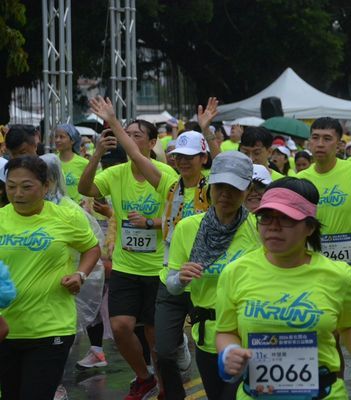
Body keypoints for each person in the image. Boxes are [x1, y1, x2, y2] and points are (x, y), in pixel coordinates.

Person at [88, 96, 219, 399]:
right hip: (171, 275)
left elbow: (225, 162)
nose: (182, 161)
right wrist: (112, 121)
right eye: (178, 156)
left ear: (203, 159)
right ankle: (168, 391)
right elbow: (134, 152)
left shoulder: (213, 187)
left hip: (205, 276)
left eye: (190, 156)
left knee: (209, 345)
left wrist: (207, 131)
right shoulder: (167, 184)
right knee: (161, 346)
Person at [215, 177, 351, 399]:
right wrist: (229, 353)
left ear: (309, 227)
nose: (274, 227)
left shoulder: (338, 275)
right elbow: (226, 331)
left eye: (286, 219)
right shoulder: (235, 272)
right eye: (266, 218)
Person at [78, 110, 179, 399]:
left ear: (151, 142)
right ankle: (143, 377)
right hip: (126, 266)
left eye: (137, 135)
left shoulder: (166, 174)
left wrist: (150, 222)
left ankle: (164, 386)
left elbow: (175, 219)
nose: (130, 139)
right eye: (128, 133)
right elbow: (85, 188)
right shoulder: (116, 173)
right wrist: (96, 154)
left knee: (154, 336)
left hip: (158, 268)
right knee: (121, 327)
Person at [0, 156, 100, 399]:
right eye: (11, 186)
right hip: (5, 329)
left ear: (46, 186)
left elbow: (92, 248)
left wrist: (80, 274)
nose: (17, 194)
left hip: (51, 327)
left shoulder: (67, 217)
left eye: (26, 186)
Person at [165, 151, 261, 400]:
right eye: (220, 187)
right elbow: (172, 286)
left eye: (235, 188)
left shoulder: (258, 229)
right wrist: (182, 278)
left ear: (248, 188)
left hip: (248, 336)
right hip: (206, 337)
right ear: (209, 184)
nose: (226, 195)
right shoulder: (187, 228)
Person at [297, 117, 351, 323]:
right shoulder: (302, 179)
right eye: (315, 138)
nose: (320, 144)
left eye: (327, 138)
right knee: (325, 334)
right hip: (316, 268)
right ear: (309, 142)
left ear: (339, 144)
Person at [54, 123, 89, 203]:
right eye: (56, 137)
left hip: (78, 210)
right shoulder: (53, 162)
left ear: (72, 140)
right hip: (58, 210)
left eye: (61, 137)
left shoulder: (84, 164)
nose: (57, 140)